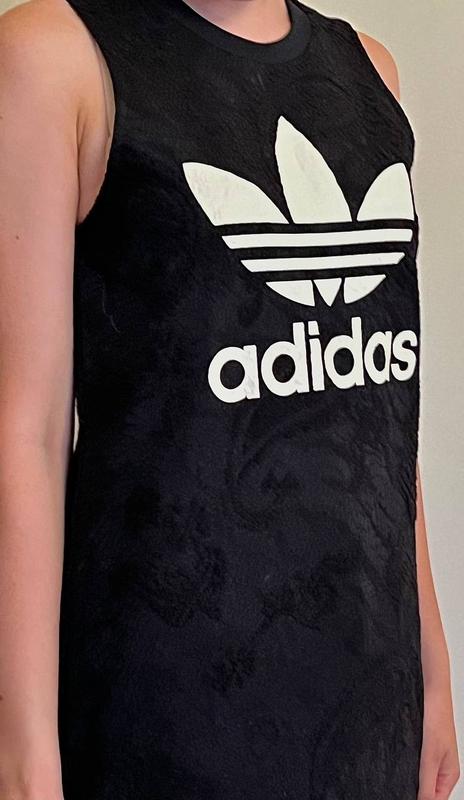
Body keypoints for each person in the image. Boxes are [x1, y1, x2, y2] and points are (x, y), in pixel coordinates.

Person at [0, 0, 460, 798]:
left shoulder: (369, 72)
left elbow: (378, 413)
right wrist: (23, 755)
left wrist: (432, 671)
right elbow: (24, 434)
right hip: (166, 715)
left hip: (367, 705)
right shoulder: (54, 57)